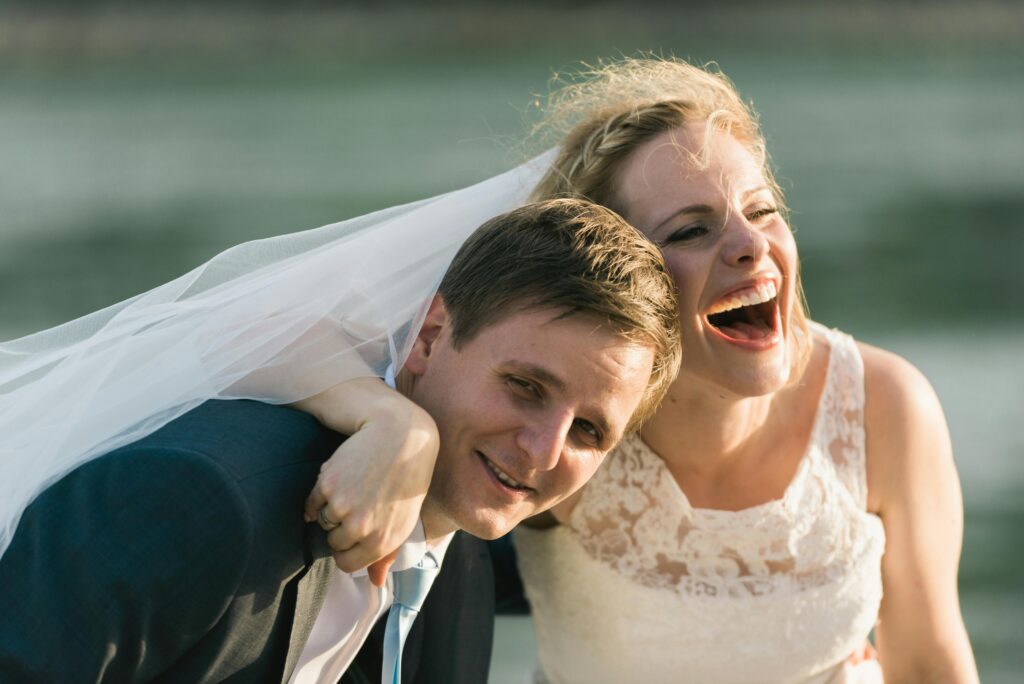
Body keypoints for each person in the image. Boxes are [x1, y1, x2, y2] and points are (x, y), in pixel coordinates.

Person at [0, 198, 682, 683]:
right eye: (525, 387)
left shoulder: (460, 564)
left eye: (589, 430)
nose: (542, 449)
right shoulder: (208, 501)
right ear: (431, 338)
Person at [506, 57, 980, 683]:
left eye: (761, 211)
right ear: (615, 281)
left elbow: (927, 665)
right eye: (693, 229)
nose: (752, 245)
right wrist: (393, 429)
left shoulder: (887, 406)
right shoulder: (560, 425)